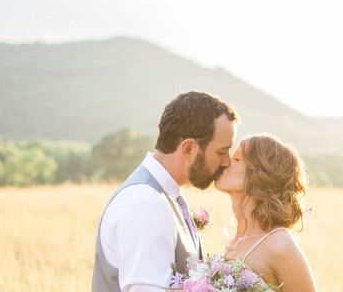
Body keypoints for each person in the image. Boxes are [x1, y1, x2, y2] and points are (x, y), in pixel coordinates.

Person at [92, 91, 239, 292]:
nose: (226, 162)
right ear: (188, 148)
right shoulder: (145, 203)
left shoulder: (168, 196)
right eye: (221, 152)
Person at [215, 134, 317, 292]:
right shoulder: (233, 243)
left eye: (237, 159)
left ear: (260, 172)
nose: (225, 162)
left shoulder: (280, 244)